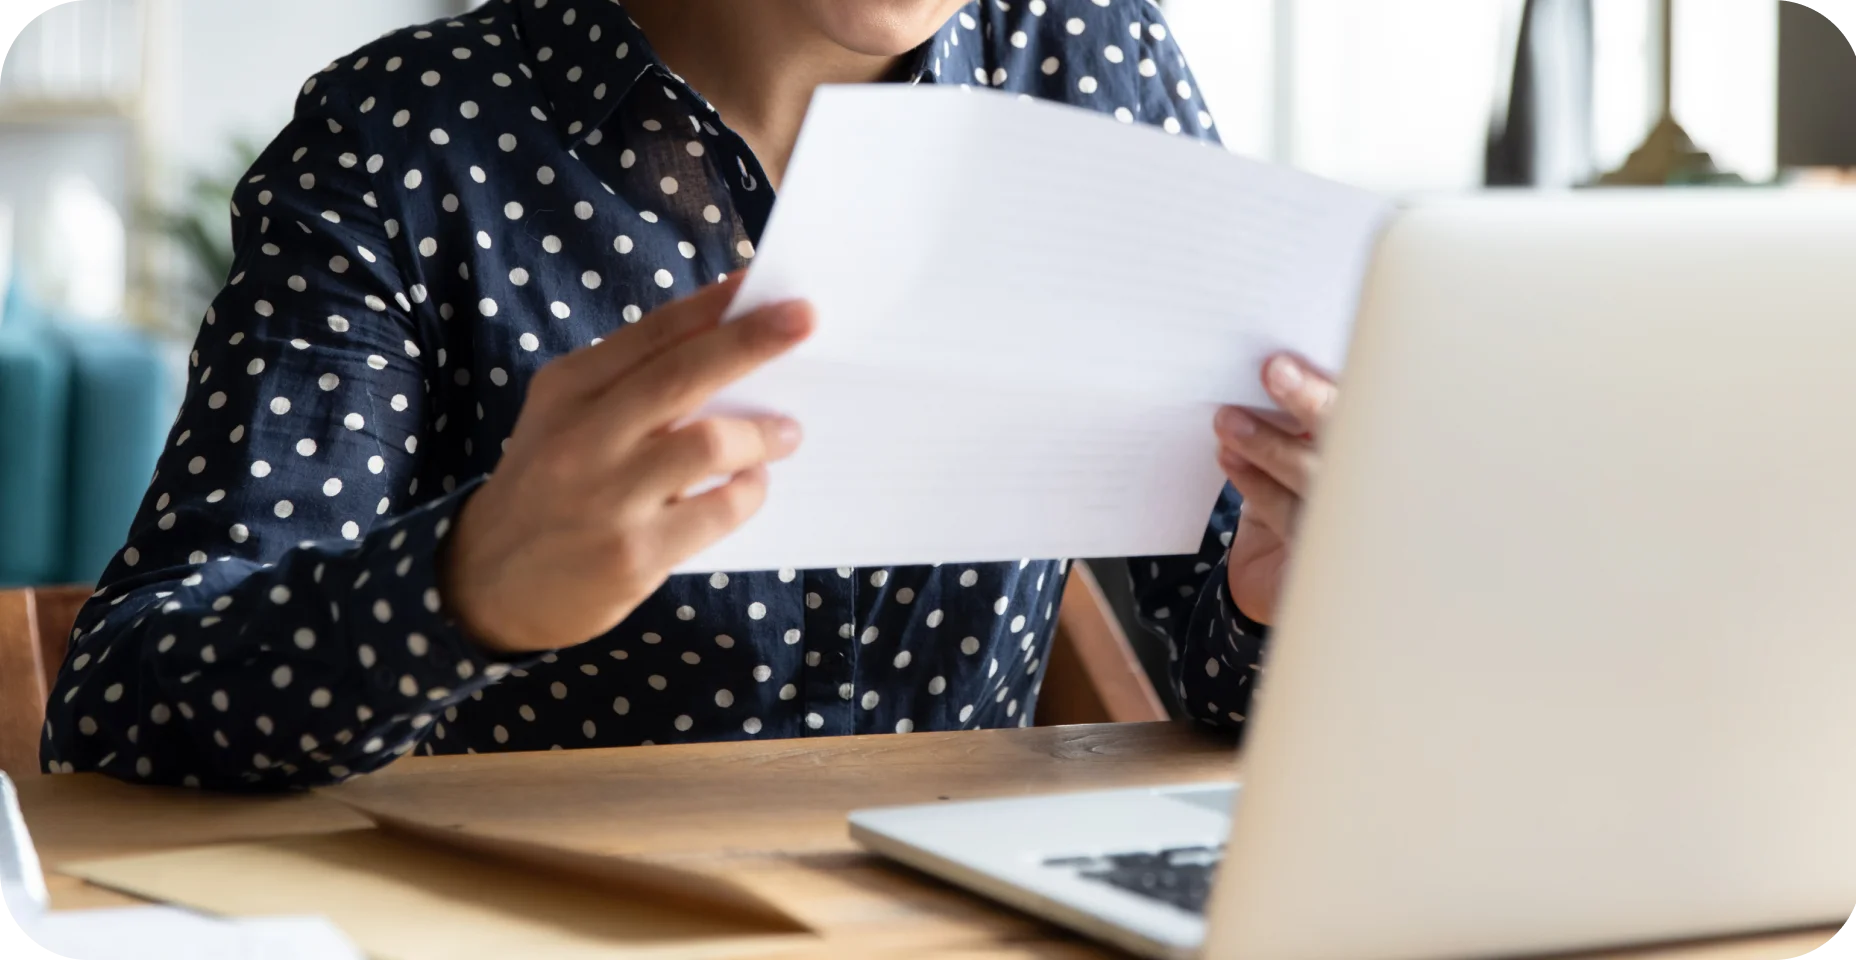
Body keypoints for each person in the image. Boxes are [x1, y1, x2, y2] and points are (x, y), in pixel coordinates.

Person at [41, 0, 1337, 789]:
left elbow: (1228, 662)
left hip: (965, 912)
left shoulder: (1091, 58)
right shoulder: (409, 138)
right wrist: (464, 588)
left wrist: (1284, 602)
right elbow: (117, 705)